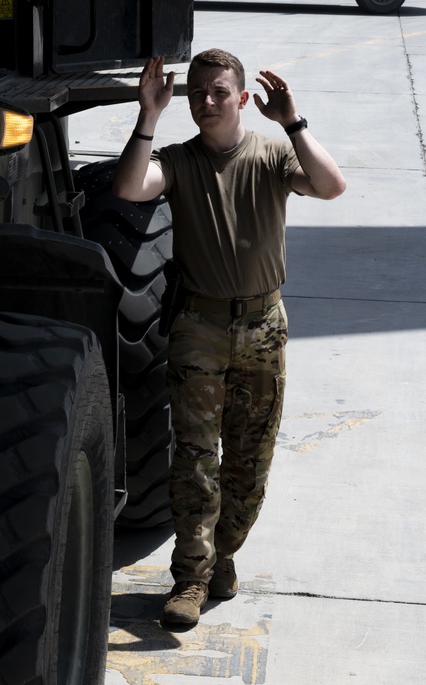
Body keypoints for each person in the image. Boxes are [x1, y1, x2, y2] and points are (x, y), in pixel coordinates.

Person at [113, 49, 346, 627]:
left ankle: (223, 555)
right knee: (195, 458)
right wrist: (148, 115)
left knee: (250, 461)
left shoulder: (271, 155)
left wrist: (293, 123)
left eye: (219, 92)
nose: (206, 103)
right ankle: (190, 579)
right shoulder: (179, 159)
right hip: (200, 326)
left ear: (243, 99)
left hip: (264, 326)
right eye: (197, 94)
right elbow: (131, 188)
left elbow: (331, 185)